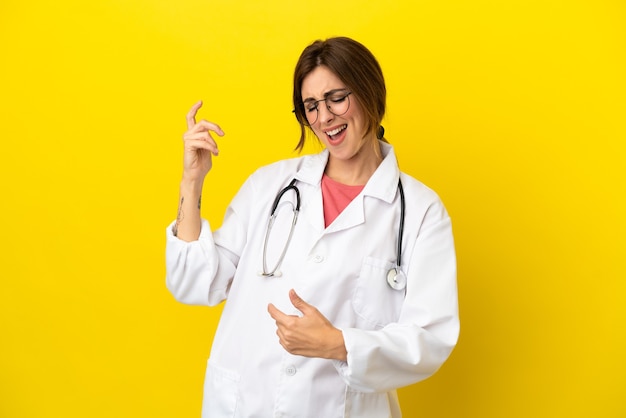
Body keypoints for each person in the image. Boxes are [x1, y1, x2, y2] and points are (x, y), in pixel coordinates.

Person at [166, 36, 459, 418]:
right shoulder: (269, 186)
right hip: (245, 405)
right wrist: (192, 180)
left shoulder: (420, 212)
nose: (324, 117)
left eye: (336, 97)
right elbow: (194, 281)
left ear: (371, 92)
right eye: (311, 107)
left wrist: (339, 344)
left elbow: (429, 338)